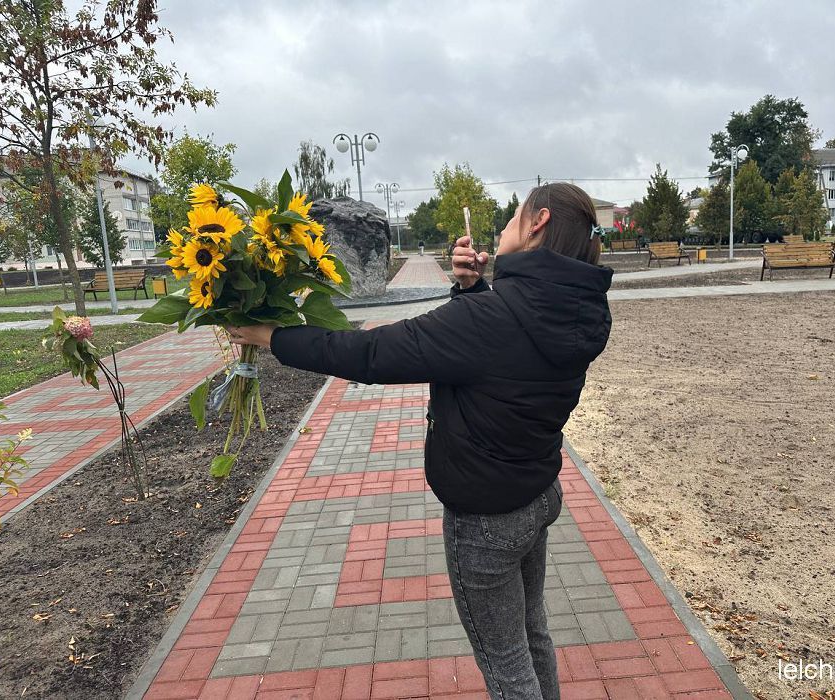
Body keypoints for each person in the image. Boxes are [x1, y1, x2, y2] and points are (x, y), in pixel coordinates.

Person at [227, 182, 613, 699]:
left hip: (487, 519)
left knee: (505, 662)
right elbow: (512, 353)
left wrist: (274, 337)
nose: (504, 226)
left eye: (513, 216)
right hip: (536, 496)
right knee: (530, 632)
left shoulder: (487, 321)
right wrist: (473, 289)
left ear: (538, 222)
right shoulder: (577, 308)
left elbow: (371, 354)